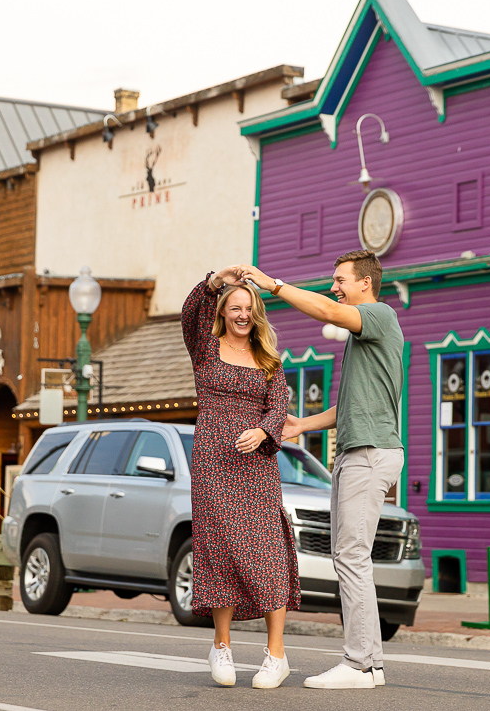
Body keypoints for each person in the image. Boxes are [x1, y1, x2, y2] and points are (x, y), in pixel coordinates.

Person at [240, 250, 404, 690]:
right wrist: (301, 426)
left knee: (351, 558)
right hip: (362, 450)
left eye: (340, 279)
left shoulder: (380, 315)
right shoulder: (363, 336)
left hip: (367, 454)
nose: (335, 286)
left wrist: (272, 284)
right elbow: (351, 406)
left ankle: (358, 664)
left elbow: (328, 309)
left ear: (365, 283)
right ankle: (372, 663)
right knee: (352, 557)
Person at [180, 266, 300, 689]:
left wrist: (266, 430)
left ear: (257, 312)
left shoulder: (269, 358)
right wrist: (215, 280)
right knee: (221, 549)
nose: (243, 314)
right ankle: (222, 645)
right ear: (224, 312)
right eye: (235, 307)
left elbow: (278, 405)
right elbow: (189, 312)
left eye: (249, 307)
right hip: (214, 461)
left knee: (268, 550)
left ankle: (276, 654)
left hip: (256, 466)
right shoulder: (205, 348)